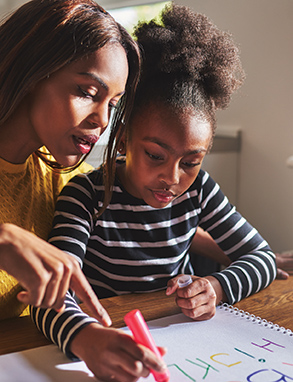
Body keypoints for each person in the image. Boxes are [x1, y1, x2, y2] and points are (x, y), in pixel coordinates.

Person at [31, 4, 277, 381]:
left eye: (191, 161)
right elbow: (52, 291)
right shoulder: (86, 196)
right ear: (126, 137)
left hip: (184, 342)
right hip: (109, 339)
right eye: (155, 155)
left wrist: (216, 286)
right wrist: (87, 334)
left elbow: (262, 258)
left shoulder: (198, 192)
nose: (172, 178)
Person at [0, 0, 140, 321]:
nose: (102, 120)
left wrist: (257, 256)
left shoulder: (60, 176)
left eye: (113, 105)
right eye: (88, 92)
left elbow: (127, 200)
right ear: (32, 72)